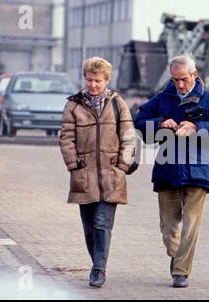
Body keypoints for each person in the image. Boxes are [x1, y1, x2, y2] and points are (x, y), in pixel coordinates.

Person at [135, 54, 209, 288]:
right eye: (175, 79)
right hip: (167, 171)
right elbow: (140, 123)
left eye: (184, 79)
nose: (179, 84)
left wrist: (198, 126)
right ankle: (176, 255)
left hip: (198, 172)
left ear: (194, 75)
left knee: (191, 225)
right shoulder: (162, 99)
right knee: (169, 229)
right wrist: (160, 124)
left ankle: (181, 272)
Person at [59, 56, 136, 288]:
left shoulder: (117, 103)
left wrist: (122, 166)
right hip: (84, 175)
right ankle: (97, 262)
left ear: (106, 81)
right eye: (90, 80)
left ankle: (99, 269)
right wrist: (73, 164)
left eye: (98, 81)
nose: (93, 85)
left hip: (112, 176)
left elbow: (129, 137)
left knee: (103, 224)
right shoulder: (73, 105)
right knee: (90, 227)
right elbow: (66, 138)